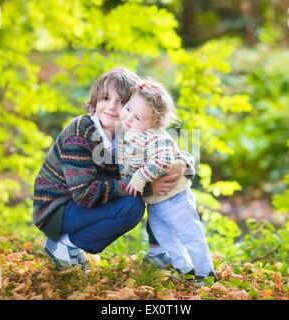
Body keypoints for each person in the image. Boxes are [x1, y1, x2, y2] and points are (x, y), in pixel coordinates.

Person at [32, 67, 195, 270]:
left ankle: (158, 252)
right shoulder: (79, 131)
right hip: (58, 209)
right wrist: (147, 185)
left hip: (84, 206)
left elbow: (167, 148)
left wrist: (182, 164)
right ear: (96, 100)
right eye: (106, 98)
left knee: (164, 173)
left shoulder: (132, 133)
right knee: (132, 206)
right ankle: (65, 245)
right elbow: (84, 194)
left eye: (121, 102)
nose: (111, 107)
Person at [117, 78, 217, 281]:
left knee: (190, 234)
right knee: (164, 237)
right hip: (155, 202)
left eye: (137, 117)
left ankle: (206, 273)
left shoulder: (156, 137)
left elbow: (164, 159)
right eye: (127, 109)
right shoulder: (128, 136)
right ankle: (184, 267)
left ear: (153, 123)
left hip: (174, 197)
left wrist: (140, 176)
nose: (128, 118)